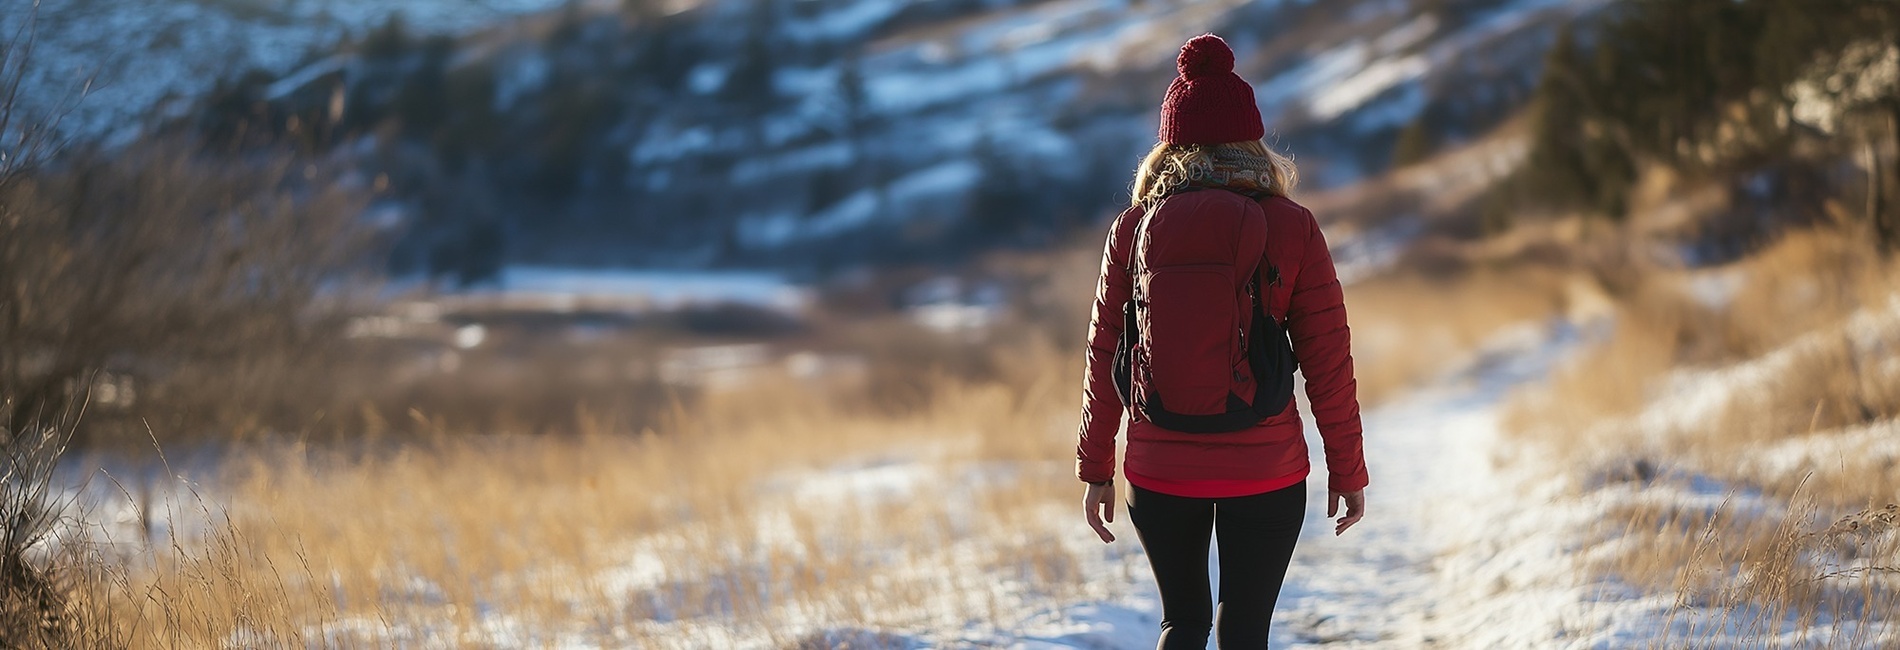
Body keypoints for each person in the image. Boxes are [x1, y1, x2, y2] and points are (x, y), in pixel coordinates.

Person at [1074, 33, 1369, 649]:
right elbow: (1328, 362)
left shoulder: (1135, 228)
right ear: (1252, 139)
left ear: (1169, 143)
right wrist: (1347, 468)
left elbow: (1106, 353)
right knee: (1244, 631)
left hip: (1159, 468)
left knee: (1182, 623)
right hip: (1266, 468)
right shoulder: (1291, 226)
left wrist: (1096, 465)